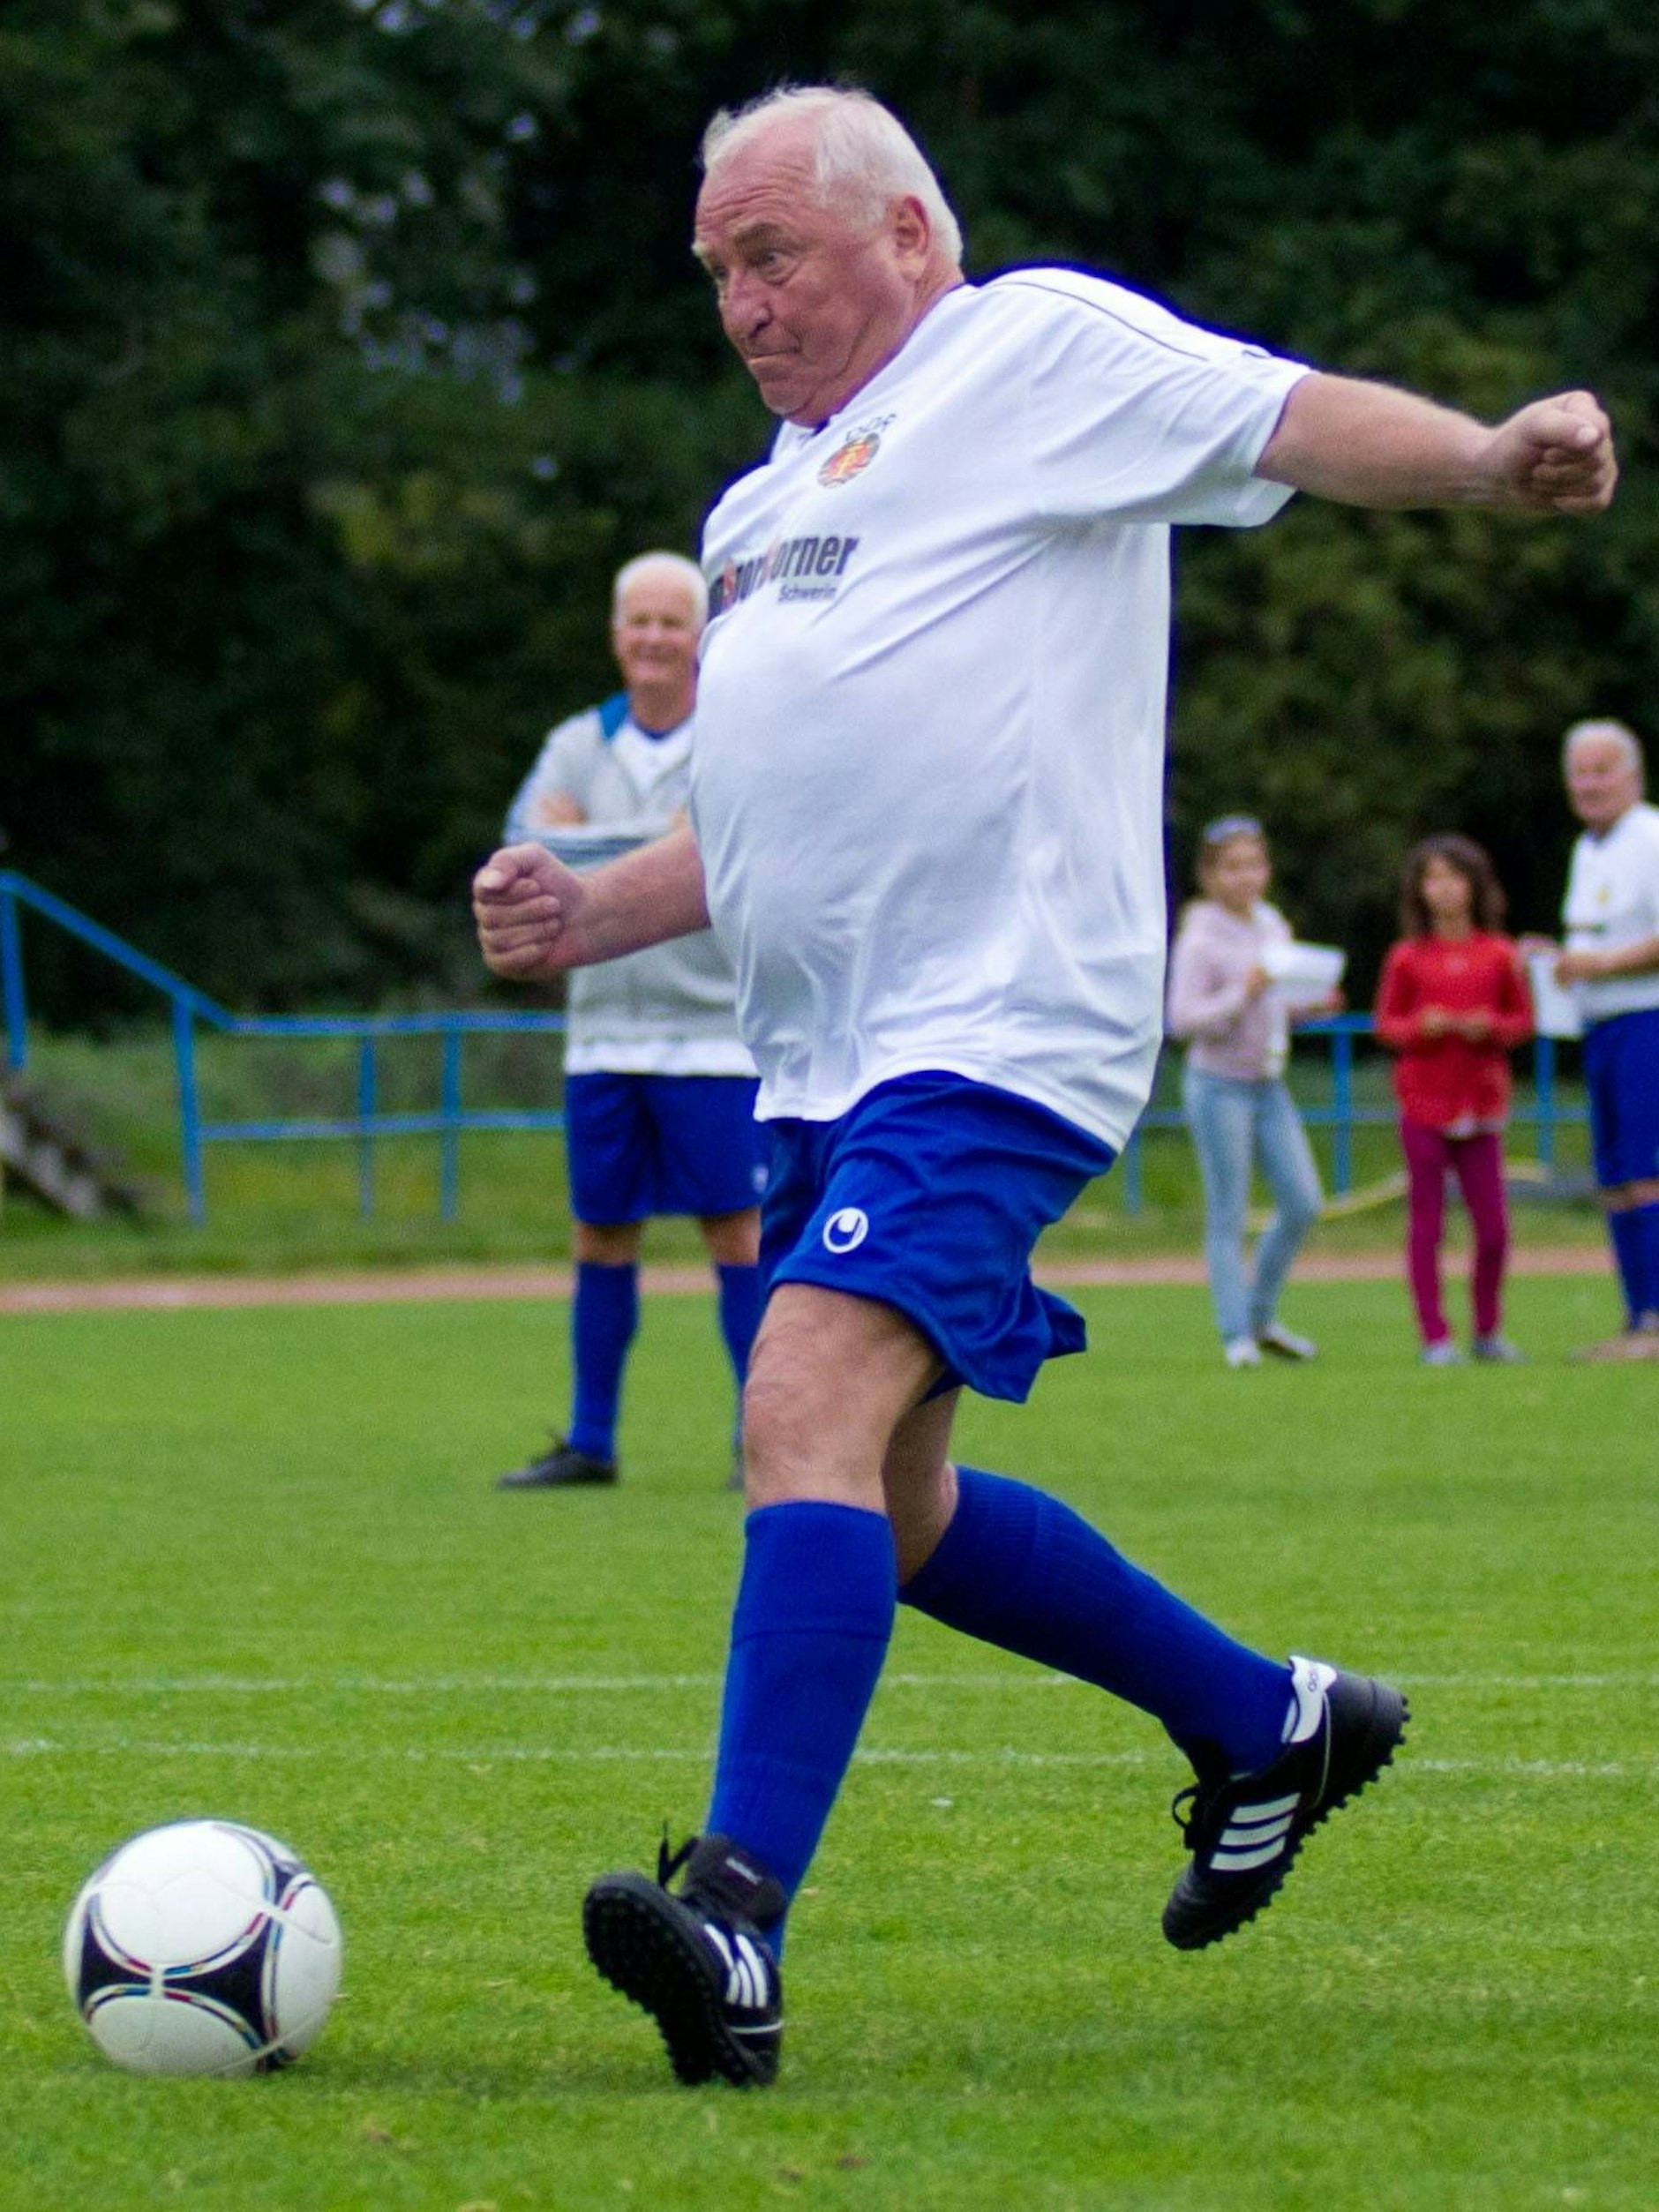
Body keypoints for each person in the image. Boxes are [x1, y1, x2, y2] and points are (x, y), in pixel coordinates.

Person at [472, 85, 1616, 2087]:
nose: (741, 302)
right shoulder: (761, 504)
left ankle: (734, 1918)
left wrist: (1484, 460)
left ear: (908, 232)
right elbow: (765, 830)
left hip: (996, 1025)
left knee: (794, 1400)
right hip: (820, 1056)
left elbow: (1281, 416)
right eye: (717, 270)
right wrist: (596, 910)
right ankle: (1264, 1720)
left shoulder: (1026, 353)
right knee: (890, 1503)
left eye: (775, 255)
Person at [495, 551, 768, 1489]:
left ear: (701, 634)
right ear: (615, 633)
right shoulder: (575, 743)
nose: (653, 637)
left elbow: (742, 848)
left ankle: (761, 1434)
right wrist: (659, 847)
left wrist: (593, 846)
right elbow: (524, 852)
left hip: (715, 1036)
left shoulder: (730, 733)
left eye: (670, 620)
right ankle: (590, 1438)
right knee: (599, 1230)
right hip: (603, 1034)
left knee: (736, 1230)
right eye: (637, 621)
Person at [1166, 815, 1328, 1369]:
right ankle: (1236, 1334)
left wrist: (1308, 1002)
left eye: (1254, 864)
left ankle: (1262, 1316)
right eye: (1232, 866)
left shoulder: (1271, 925)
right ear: (1209, 874)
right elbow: (1183, 1020)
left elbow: (1274, 1004)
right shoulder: (1199, 937)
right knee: (1228, 1212)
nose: (1246, 877)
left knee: (1304, 1201)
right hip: (1218, 1086)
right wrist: (1244, 991)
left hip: (1268, 1080)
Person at [1374, 836, 1534, 1365]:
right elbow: (1388, 1025)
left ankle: (1487, 1330)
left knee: (1493, 1228)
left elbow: (1522, 1023)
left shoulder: (1500, 954)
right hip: (1423, 1104)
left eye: (1454, 877)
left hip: (1481, 1107)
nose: (1443, 889)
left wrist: (1490, 1026)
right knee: (1428, 1224)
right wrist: (1424, 1025)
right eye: (1433, 878)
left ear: (1474, 884)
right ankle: (1434, 1335)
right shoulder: (1407, 958)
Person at [1546, 720, 1659, 1361]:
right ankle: (1636, 1315)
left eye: (1602, 770)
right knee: (1615, 1176)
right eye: (1580, 772)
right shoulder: (1588, 848)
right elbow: (1593, 938)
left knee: (1647, 1173)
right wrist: (1560, 960)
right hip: (1599, 1027)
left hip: (1648, 1019)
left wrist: (1604, 965)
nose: (1589, 784)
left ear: (1632, 775)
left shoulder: (1651, 837)